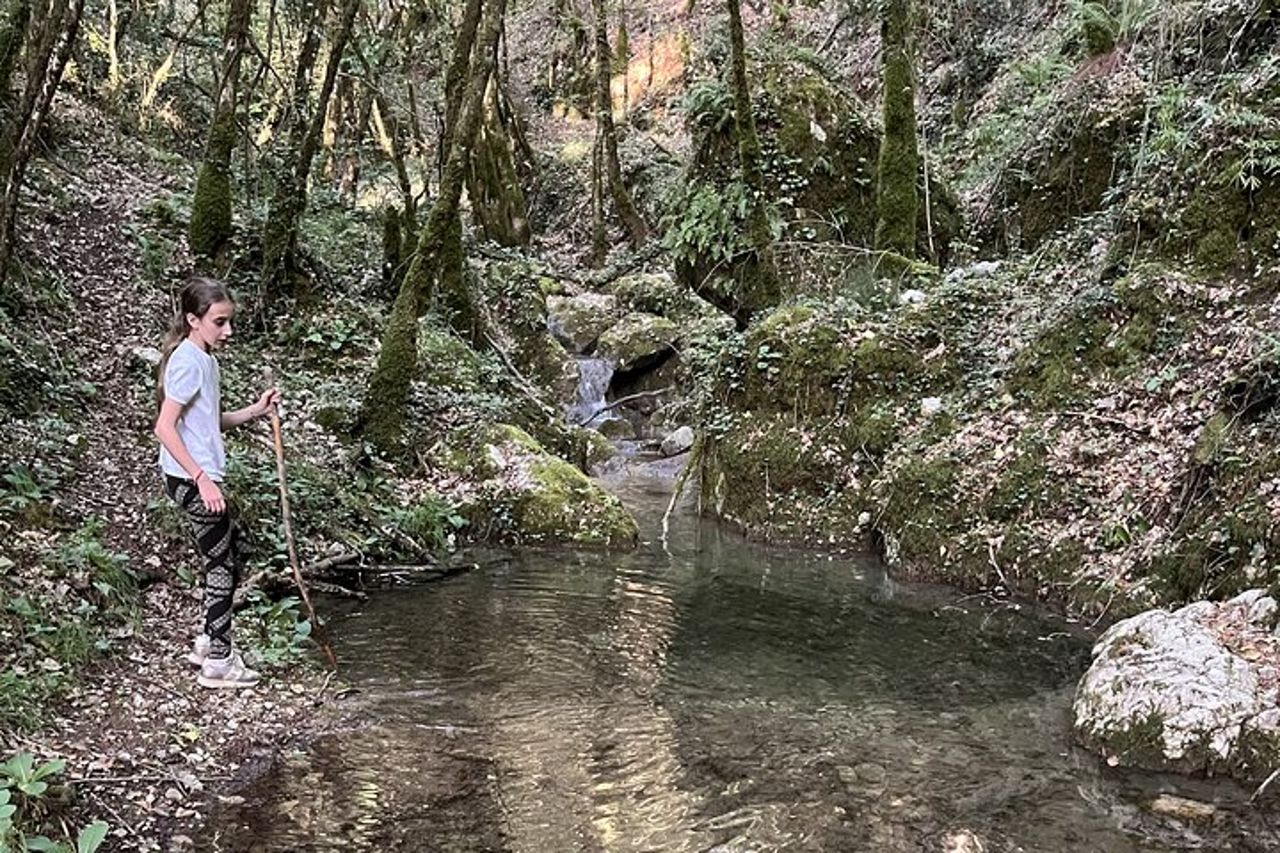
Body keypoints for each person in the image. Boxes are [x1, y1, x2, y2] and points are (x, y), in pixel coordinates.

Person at [153, 276, 279, 689]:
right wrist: (202, 479)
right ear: (194, 319)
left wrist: (254, 412)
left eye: (229, 322)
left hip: (196, 477)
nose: (228, 331)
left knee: (232, 554)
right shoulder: (188, 360)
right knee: (222, 563)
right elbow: (165, 428)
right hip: (191, 480)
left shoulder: (204, 359)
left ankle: (209, 641)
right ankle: (220, 661)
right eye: (220, 322)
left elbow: (206, 422)